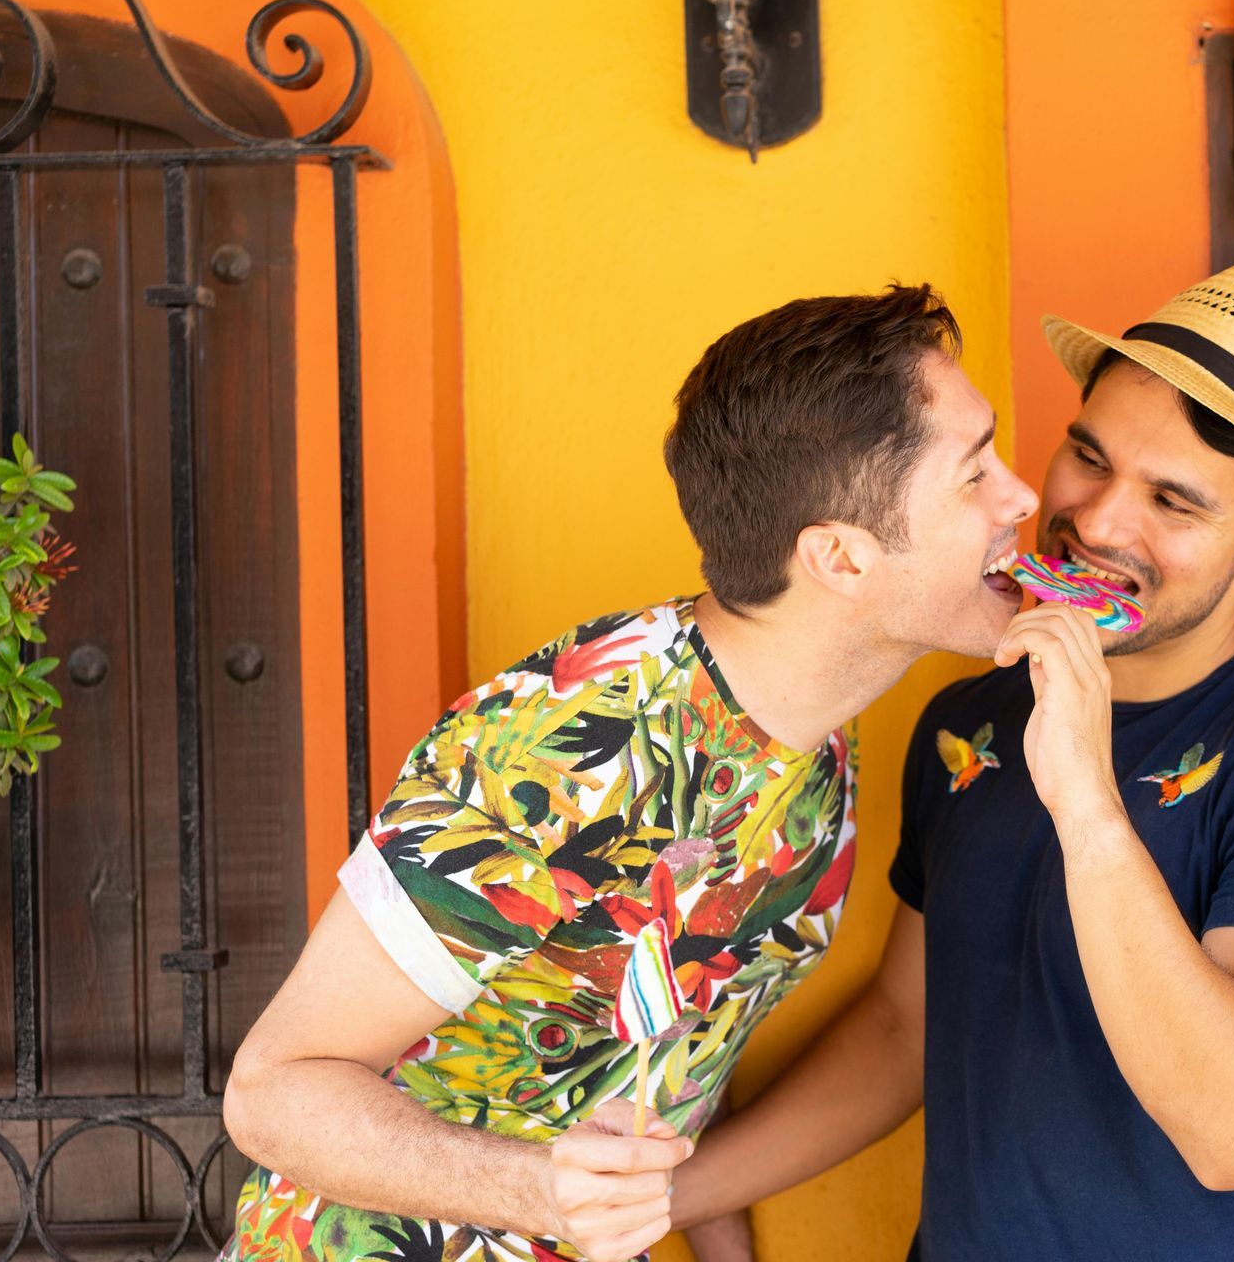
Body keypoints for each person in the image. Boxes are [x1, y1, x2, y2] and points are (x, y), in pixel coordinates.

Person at [218, 283, 1039, 1262]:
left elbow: (683, 1016)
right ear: (840, 559)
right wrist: (538, 1190)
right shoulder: (573, 738)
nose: (1022, 498)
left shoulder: (811, 734)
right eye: (974, 473)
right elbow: (273, 1091)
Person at [672, 260, 1234, 1259]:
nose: (1098, 521)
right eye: (1088, 456)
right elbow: (904, 1031)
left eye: (1174, 501)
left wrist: (1085, 798)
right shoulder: (970, 720)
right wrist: (666, 1198)